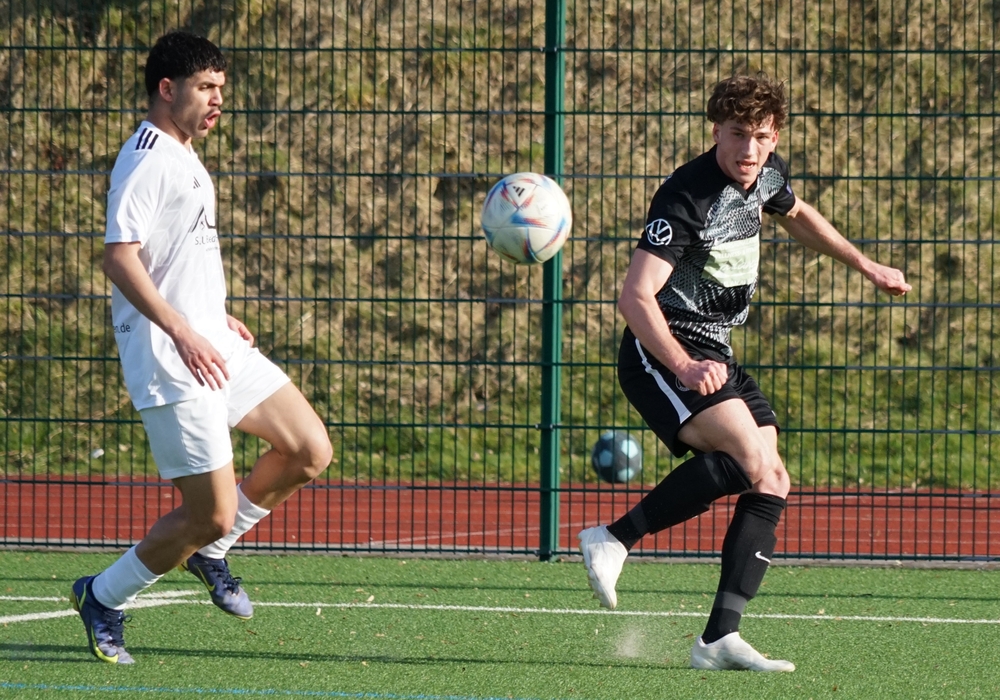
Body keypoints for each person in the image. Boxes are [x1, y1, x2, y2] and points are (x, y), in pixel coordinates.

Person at [578, 74, 910, 672]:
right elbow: (634, 297)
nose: (749, 150)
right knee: (752, 459)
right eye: (737, 135)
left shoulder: (766, 175)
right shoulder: (686, 196)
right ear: (716, 132)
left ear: (774, 136)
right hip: (663, 351)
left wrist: (866, 265)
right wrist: (682, 363)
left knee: (771, 476)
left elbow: (796, 213)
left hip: (716, 350)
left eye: (760, 136)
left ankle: (718, 638)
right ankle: (614, 538)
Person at [71, 31, 333, 664]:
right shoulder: (148, 158)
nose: (218, 100)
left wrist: (213, 315)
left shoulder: (183, 151)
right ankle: (103, 596)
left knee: (307, 449)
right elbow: (119, 258)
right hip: (172, 357)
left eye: (221, 88)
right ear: (168, 89)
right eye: (206, 87)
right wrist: (183, 330)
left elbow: (174, 257)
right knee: (207, 513)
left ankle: (211, 553)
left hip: (212, 341)